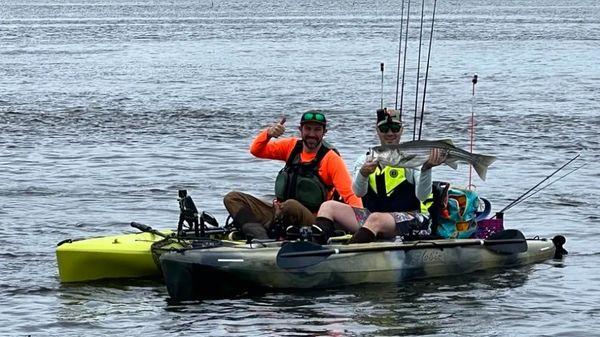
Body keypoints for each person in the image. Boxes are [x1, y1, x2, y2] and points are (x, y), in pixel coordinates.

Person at [223, 110, 362, 241]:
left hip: (310, 219)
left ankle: (270, 232)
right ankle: (259, 235)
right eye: (308, 129)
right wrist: (268, 134)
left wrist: (362, 225)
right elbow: (256, 150)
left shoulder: (331, 159)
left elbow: (350, 194)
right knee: (232, 198)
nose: (312, 134)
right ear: (300, 130)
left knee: (290, 205)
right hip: (279, 212)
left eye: (317, 129)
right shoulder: (291, 147)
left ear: (324, 132)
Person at [314, 107, 446, 243]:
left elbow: (423, 196)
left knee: (376, 219)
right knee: (327, 206)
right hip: (373, 218)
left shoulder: (413, 159)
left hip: (412, 218)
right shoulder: (365, 159)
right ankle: (316, 245)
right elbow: (358, 193)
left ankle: (348, 250)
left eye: (395, 128)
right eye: (384, 129)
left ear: (401, 130)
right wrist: (363, 174)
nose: (390, 133)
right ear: (377, 131)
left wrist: (427, 168)